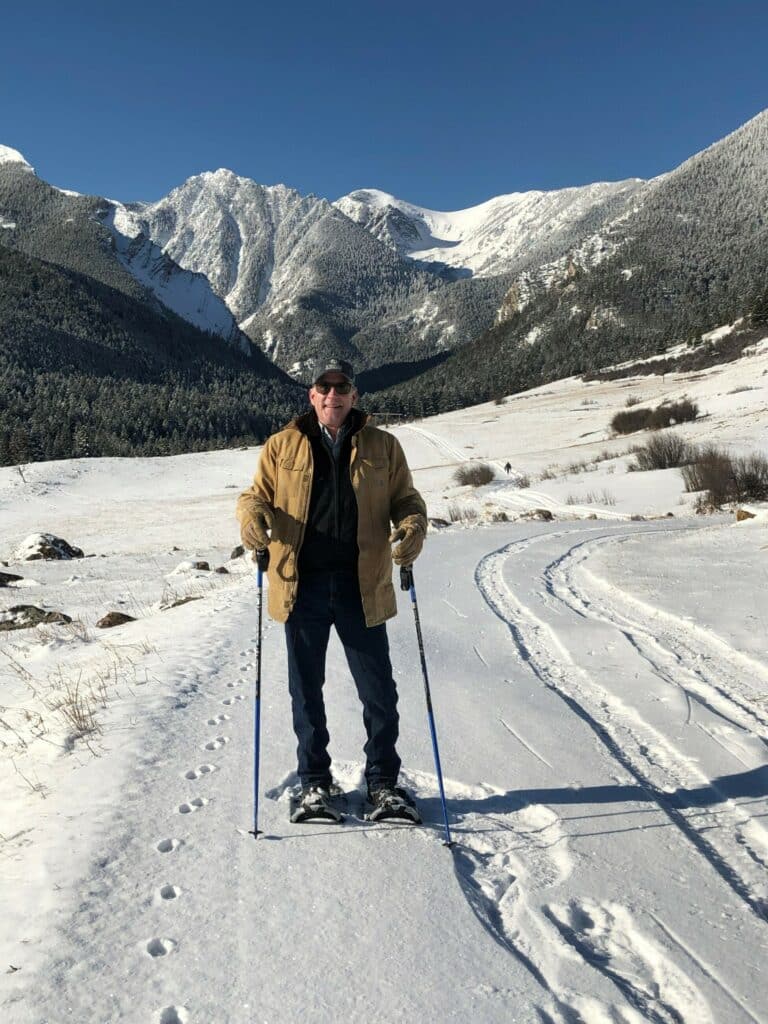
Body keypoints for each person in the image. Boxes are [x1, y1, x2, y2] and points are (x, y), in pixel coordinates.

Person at [236, 357, 428, 824]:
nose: (332, 395)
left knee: (379, 690)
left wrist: (412, 523)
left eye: (342, 387)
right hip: (300, 585)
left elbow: (407, 498)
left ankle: (383, 783)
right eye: (324, 387)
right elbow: (254, 496)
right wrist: (250, 518)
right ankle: (314, 783)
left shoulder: (384, 446)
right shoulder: (282, 446)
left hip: (363, 585)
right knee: (306, 692)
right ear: (312, 394)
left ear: (354, 396)